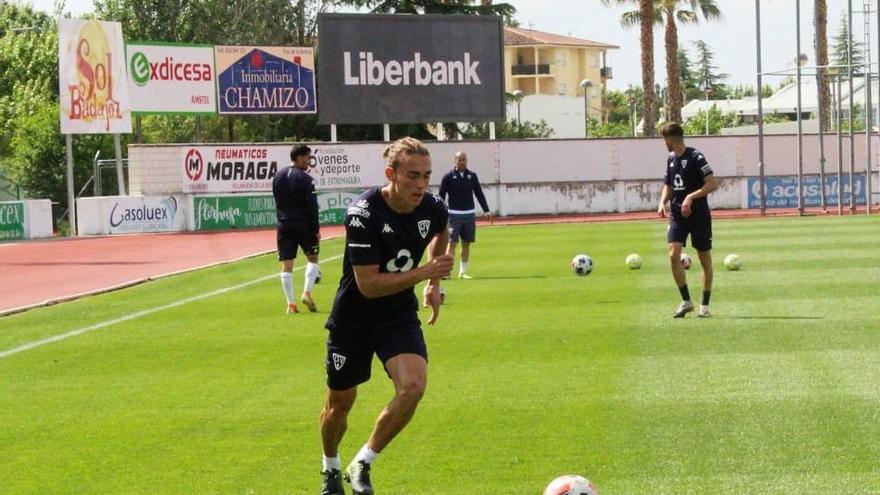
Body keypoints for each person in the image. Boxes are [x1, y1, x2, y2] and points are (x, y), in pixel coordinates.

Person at [319, 137, 452, 495]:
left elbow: (443, 229)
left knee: (413, 387)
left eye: (426, 175)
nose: (422, 184)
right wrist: (423, 274)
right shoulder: (364, 214)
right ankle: (330, 466)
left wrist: (433, 284)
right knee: (339, 405)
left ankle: (362, 462)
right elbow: (368, 285)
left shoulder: (432, 206)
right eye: (413, 176)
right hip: (354, 319)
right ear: (391, 174)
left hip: (397, 315)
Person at [656, 123, 718, 318]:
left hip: (698, 214)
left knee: (703, 258)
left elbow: (711, 184)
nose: (664, 143)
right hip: (677, 214)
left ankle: (705, 306)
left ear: (671, 139)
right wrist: (662, 201)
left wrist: (691, 197)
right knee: (673, 254)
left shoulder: (695, 156)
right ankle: (686, 301)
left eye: (664, 140)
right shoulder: (671, 158)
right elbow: (669, 184)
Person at [272, 144, 321, 314]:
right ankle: (307, 293)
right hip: (303, 225)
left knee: (287, 265)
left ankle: (291, 304)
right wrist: (316, 229)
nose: (309, 161)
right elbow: (312, 207)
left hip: (284, 225)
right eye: (308, 158)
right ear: (299, 158)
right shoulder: (306, 179)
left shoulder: (277, 176)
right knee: (313, 258)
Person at [437, 151, 491, 279]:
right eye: (459, 160)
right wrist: (440, 212)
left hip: (469, 214)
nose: (462, 162)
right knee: (452, 243)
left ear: (467, 161)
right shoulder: (448, 177)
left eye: (464, 160)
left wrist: (486, 210)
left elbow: (479, 193)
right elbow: (441, 196)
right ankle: (447, 272)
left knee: (466, 243)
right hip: (454, 214)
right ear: (455, 161)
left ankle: (463, 272)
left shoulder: (472, 176)